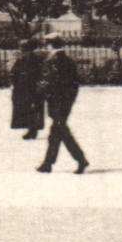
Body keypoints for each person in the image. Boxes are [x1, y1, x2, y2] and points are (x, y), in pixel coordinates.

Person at [37, 33, 88, 174]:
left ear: (50, 45)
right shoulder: (68, 61)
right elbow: (74, 84)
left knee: (60, 132)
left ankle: (80, 160)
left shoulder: (53, 61)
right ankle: (48, 163)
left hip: (56, 102)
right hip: (65, 102)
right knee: (57, 132)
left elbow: (50, 82)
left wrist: (42, 91)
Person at [9, 38, 45, 140]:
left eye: (24, 49)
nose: (22, 52)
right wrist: (14, 83)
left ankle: (33, 130)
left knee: (33, 109)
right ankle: (30, 128)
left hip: (32, 88)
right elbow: (13, 73)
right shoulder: (20, 60)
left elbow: (40, 73)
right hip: (22, 89)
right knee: (26, 109)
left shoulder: (36, 60)